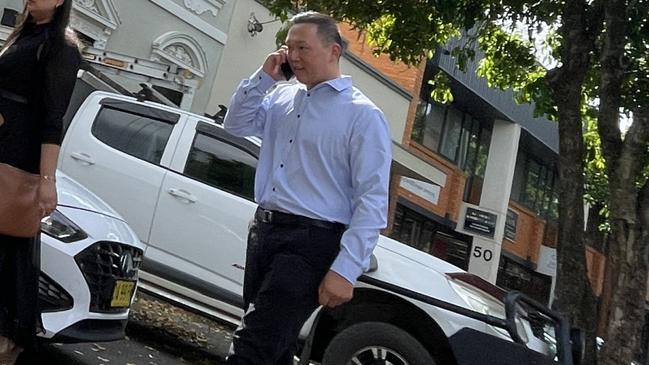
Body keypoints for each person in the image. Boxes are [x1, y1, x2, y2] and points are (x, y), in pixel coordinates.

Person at [223, 11, 392, 365]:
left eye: (303, 47)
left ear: (333, 51)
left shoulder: (363, 115)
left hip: (311, 244)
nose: (294, 57)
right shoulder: (281, 97)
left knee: (252, 345)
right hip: (265, 232)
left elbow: (372, 200)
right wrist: (262, 79)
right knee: (275, 347)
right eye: (288, 48)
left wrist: (346, 269)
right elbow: (235, 124)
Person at [0, 0, 81, 363]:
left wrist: (48, 180)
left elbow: (53, 118)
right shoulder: (24, 33)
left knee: (8, 261)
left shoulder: (61, 45)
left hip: (16, 166)